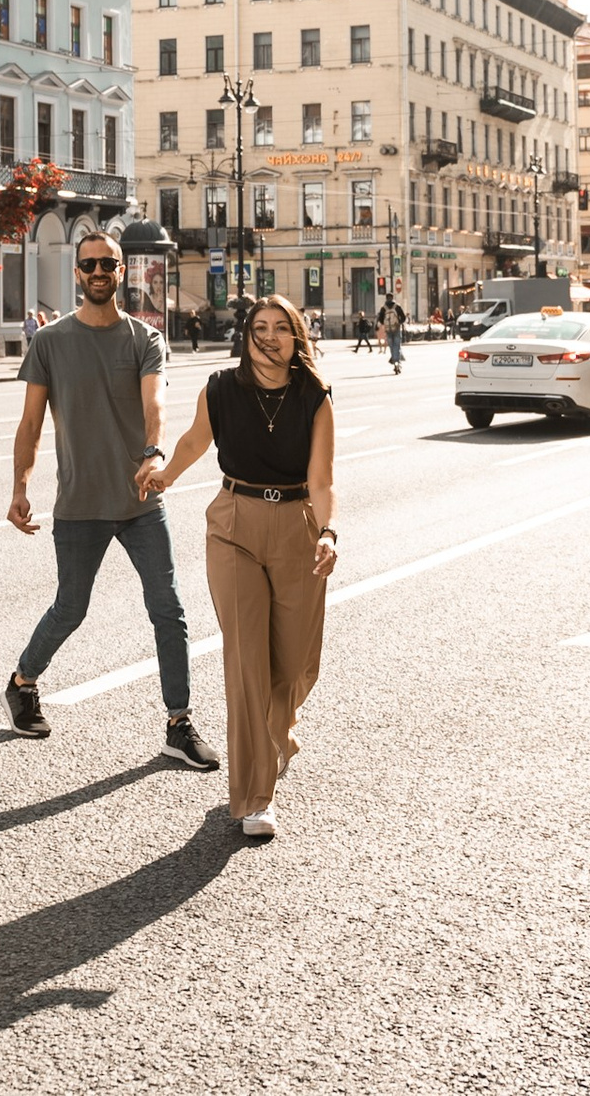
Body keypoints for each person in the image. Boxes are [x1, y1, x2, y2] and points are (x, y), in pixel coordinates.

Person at [2, 226, 218, 774]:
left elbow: (157, 404)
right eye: (90, 264)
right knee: (70, 609)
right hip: (78, 503)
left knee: (169, 610)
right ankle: (23, 681)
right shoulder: (49, 342)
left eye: (109, 265)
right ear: (78, 273)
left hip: (141, 499)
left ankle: (179, 722)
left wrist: (153, 453)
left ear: (122, 273)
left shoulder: (144, 339)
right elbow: (29, 423)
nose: (100, 272)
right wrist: (20, 488)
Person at [148, 294, 336, 840]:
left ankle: (279, 730)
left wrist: (327, 532)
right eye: (261, 326)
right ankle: (255, 796)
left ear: (296, 336)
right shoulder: (221, 389)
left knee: (298, 663)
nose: (270, 336)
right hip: (233, 526)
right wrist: (163, 474)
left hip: (298, 525)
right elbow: (192, 441)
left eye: (282, 327)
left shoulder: (315, 397)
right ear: (247, 333)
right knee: (246, 661)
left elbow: (323, 481)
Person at [384, 300, 406, 372]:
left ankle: (394, 361)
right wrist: (399, 323)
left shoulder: (384, 308)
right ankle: (397, 362)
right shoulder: (397, 306)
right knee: (397, 346)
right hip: (396, 329)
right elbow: (403, 318)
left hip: (388, 330)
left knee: (391, 346)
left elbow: (381, 319)